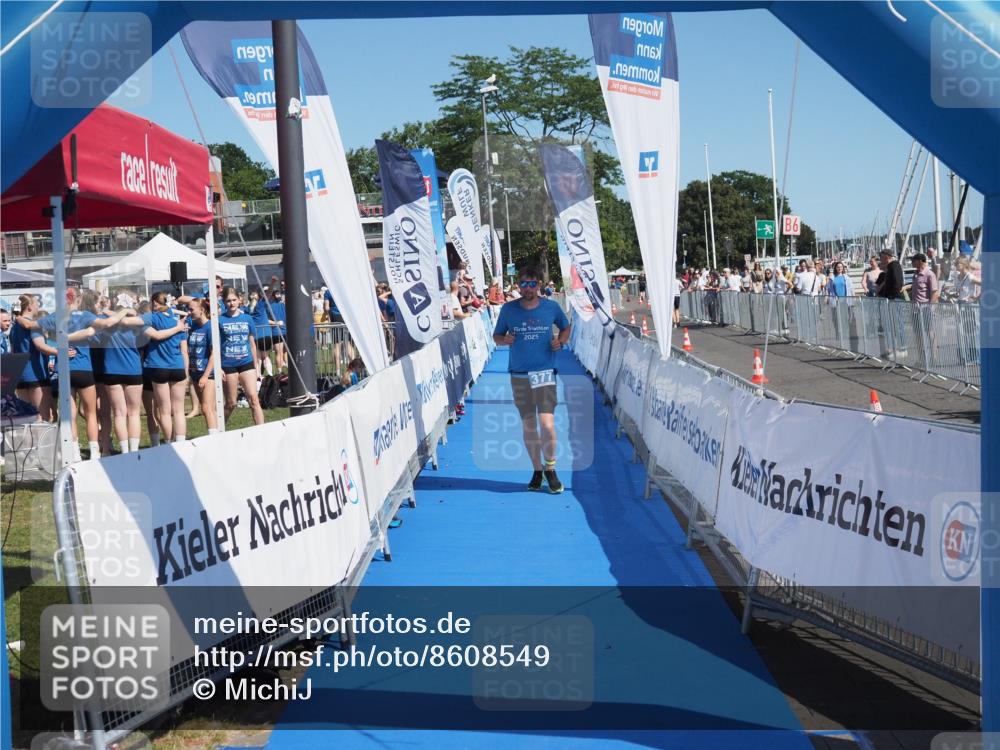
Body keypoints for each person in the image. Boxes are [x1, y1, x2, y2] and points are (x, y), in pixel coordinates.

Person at [492, 268, 571, 493]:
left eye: (532, 284)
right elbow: (496, 336)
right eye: (524, 284)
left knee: (546, 424)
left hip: (544, 372)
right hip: (519, 374)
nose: (528, 289)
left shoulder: (551, 307)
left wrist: (560, 341)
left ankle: (551, 468)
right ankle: (537, 470)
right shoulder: (508, 309)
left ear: (539, 285)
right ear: (518, 286)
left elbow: (566, 327)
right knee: (529, 425)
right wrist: (505, 339)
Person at [141, 291, 191, 444]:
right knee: (179, 410)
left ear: (155, 303)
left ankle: (169, 444)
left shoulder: (153, 318)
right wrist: (186, 372)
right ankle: (181, 442)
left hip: (158, 366)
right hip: (177, 366)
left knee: (164, 410)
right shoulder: (177, 321)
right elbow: (184, 350)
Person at [219, 287, 264, 425]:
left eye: (234, 300)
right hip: (228, 364)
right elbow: (215, 347)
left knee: (254, 400)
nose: (231, 303)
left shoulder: (247, 318)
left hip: (246, 362)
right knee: (231, 403)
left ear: (239, 300)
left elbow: (252, 344)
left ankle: (262, 431)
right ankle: (218, 429)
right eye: (228, 301)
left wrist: (256, 367)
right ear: (224, 302)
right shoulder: (220, 320)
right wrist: (218, 367)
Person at [10, 295, 52, 419]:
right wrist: (60, 352)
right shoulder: (34, 326)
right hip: (36, 374)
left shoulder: (13, 328)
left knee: (27, 419)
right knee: (42, 418)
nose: (38, 306)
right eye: (36, 303)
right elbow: (40, 346)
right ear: (29, 307)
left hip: (21, 375)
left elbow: (13, 352)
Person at [186, 298, 218, 433]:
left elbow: (214, 353)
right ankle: (217, 433)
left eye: (191, 309)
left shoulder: (210, 327)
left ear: (202, 310)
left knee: (206, 408)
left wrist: (205, 376)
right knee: (208, 409)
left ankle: (214, 438)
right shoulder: (192, 325)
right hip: (195, 372)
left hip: (207, 373)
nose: (189, 312)